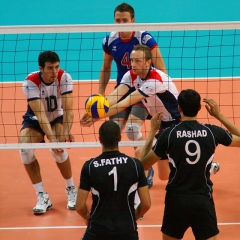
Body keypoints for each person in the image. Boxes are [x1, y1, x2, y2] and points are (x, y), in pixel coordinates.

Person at [140, 89, 240, 240]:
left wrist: (151, 132)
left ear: (178, 108)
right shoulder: (212, 132)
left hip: (176, 200)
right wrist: (218, 115)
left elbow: (143, 165)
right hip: (202, 199)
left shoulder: (168, 134)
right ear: (199, 108)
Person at [99, 2, 167, 188]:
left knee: (131, 130)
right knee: (111, 131)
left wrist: (160, 93)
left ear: (133, 20)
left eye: (125, 20)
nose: (121, 24)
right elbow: (106, 68)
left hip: (144, 92)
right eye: (117, 20)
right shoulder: (110, 40)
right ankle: (109, 173)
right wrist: (99, 97)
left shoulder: (144, 39)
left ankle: (145, 165)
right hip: (123, 88)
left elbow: (161, 68)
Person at [19, 51, 77, 215]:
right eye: (50, 68)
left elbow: (69, 110)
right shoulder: (31, 82)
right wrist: (52, 139)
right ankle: (42, 195)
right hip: (36, 119)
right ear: (41, 69)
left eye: (56, 67)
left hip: (57, 116)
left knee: (58, 149)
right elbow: (41, 115)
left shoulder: (64, 77)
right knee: (24, 148)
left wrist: (65, 133)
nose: (54, 72)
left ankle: (71, 188)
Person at [76, 120, 151, 240]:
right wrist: (133, 217)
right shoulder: (135, 164)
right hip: (127, 231)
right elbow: (146, 204)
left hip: (98, 231)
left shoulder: (90, 166)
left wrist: (89, 219)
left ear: (100, 139)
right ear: (120, 138)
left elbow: (79, 206)